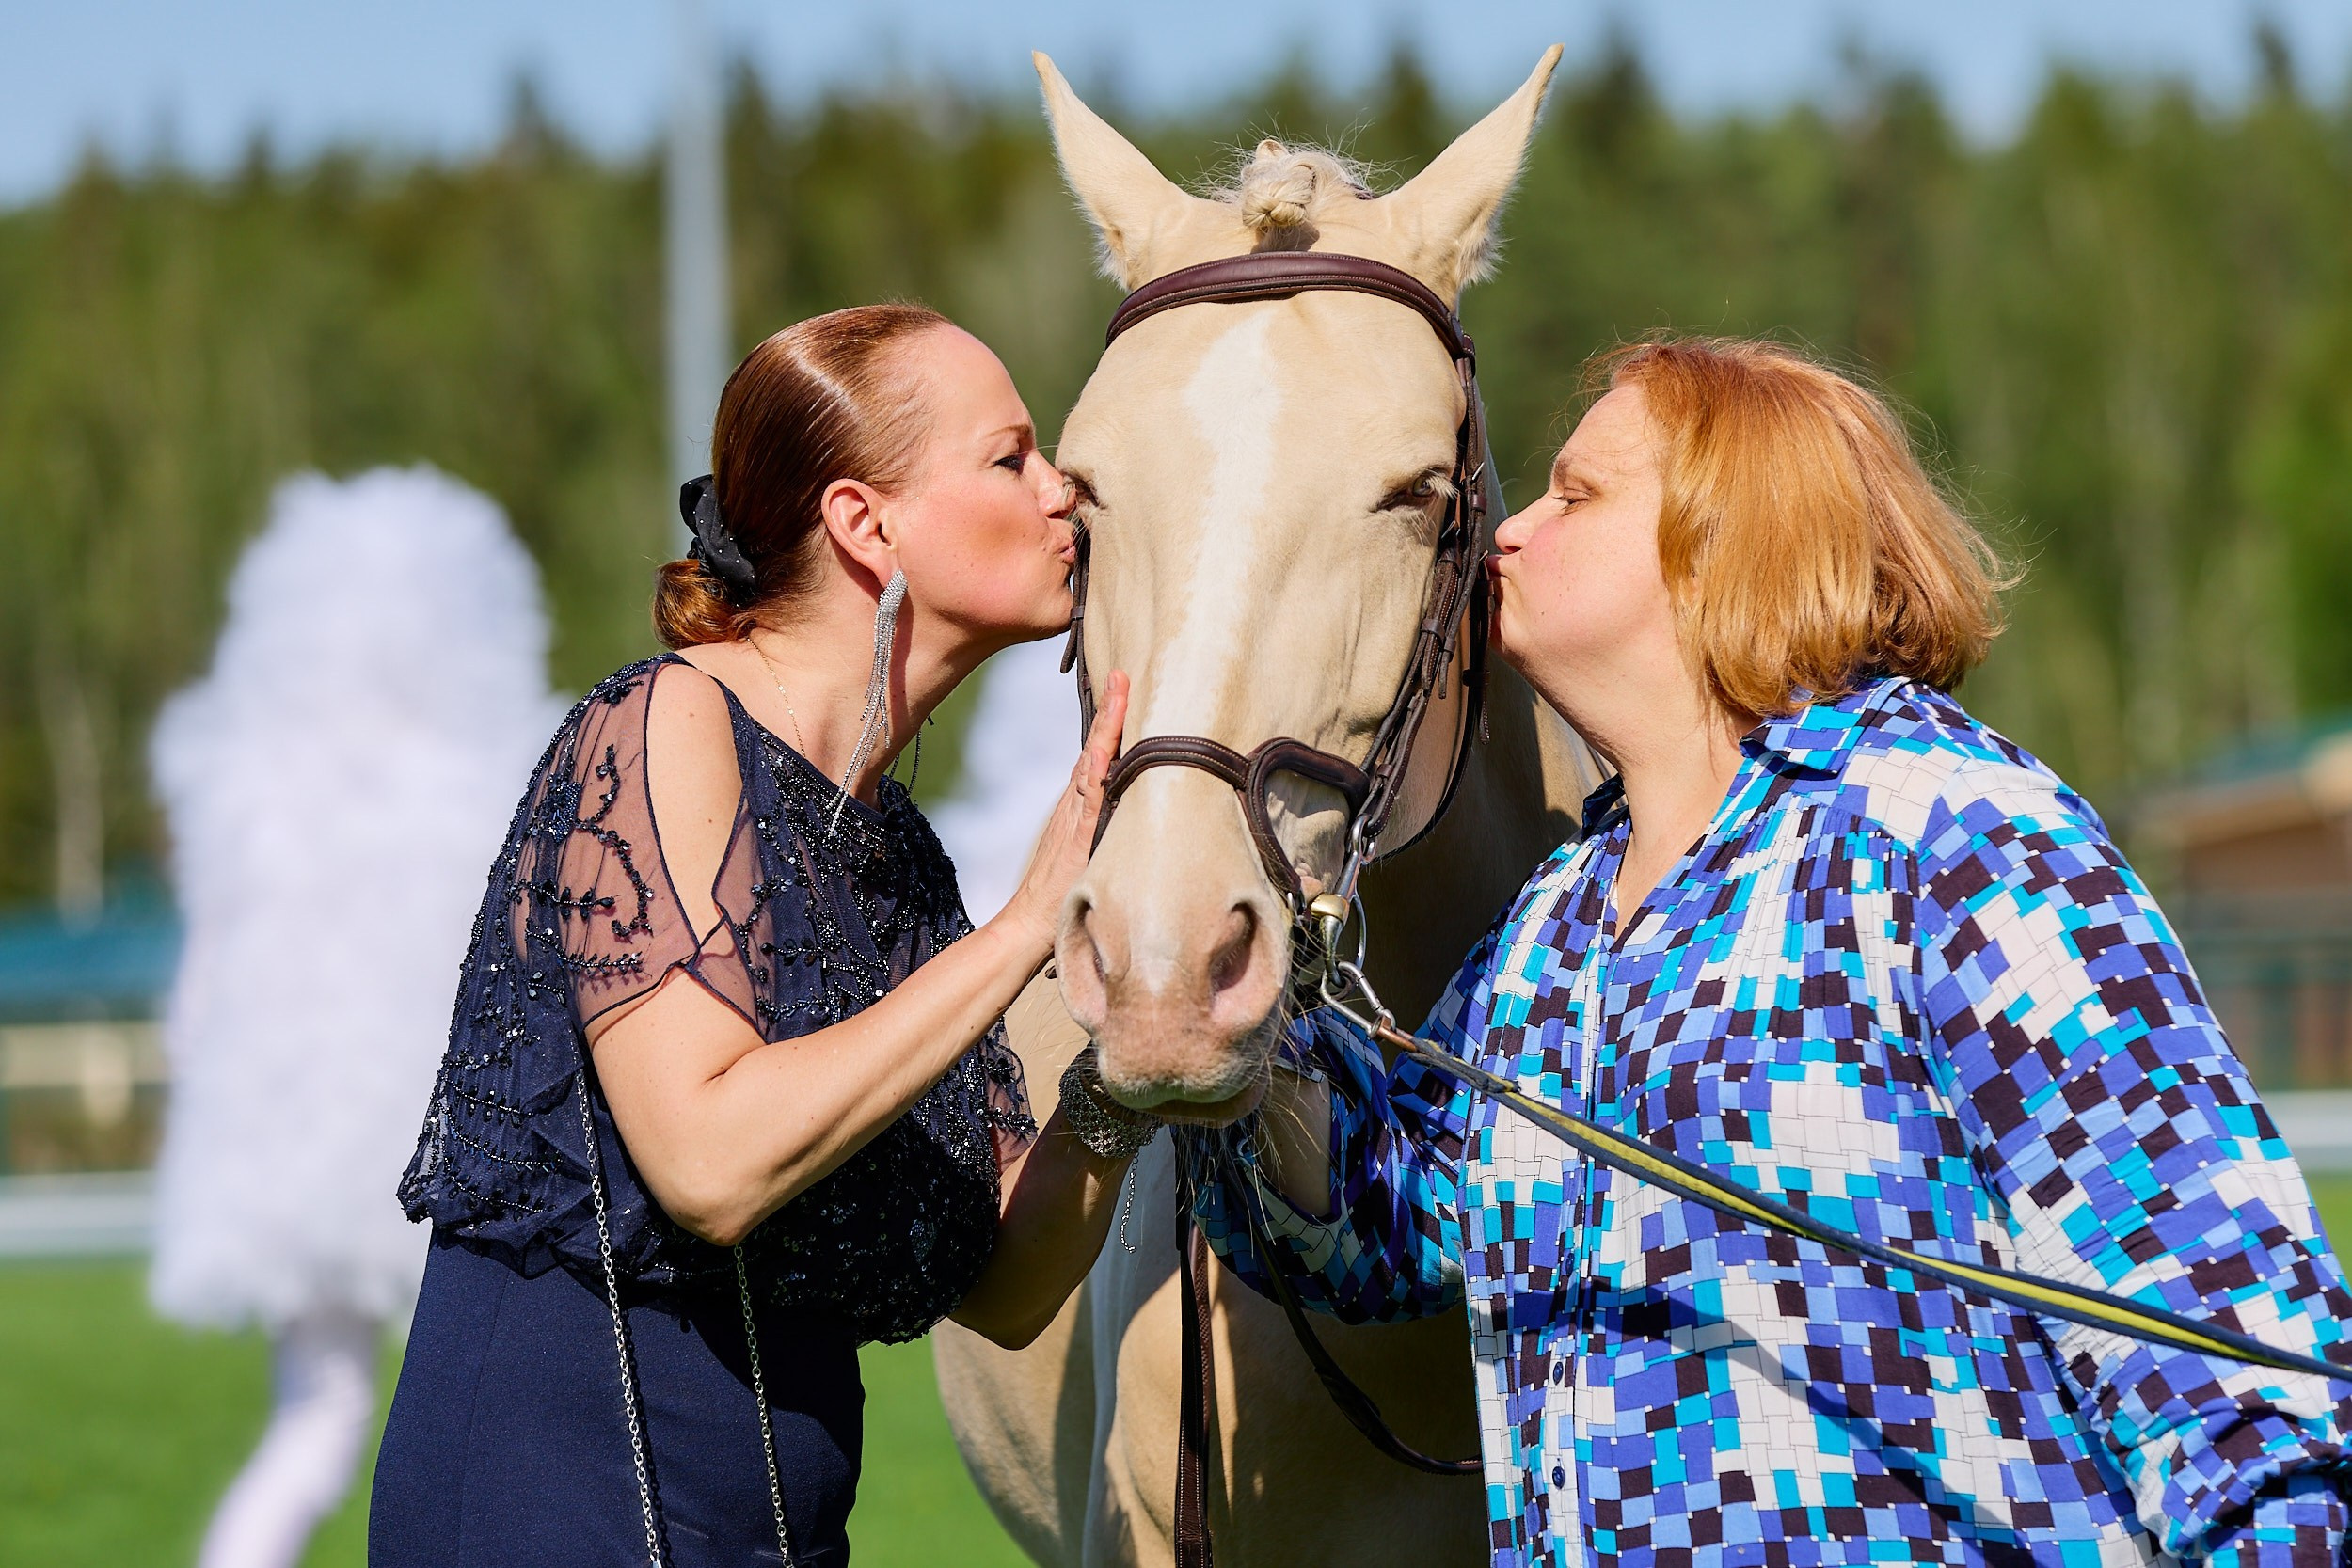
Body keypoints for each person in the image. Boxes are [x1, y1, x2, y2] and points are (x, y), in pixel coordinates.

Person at [1197, 336, 2352, 1565]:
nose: (1508, 533)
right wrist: (1252, 1024)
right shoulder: (1554, 922)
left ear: (1735, 537)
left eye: (1576, 494)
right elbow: (1381, 1222)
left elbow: (2231, 1350)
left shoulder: (1952, 834)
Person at [373, 304, 1152, 1568]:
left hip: (773, 1534)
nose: (1065, 488)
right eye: (1011, 457)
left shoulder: (894, 853)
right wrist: (1020, 933)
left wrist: (1131, 1065)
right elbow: (709, 1157)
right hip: (555, 1516)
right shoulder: (662, 721)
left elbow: (1007, 1287)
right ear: (865, 522)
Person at [150, 467, 559, 1568]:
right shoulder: (481, 780)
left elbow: (192, 1008)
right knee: (490, 1427)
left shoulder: (245, 785)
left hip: (289, 1158)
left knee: (318, 1423)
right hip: (453, 1146)